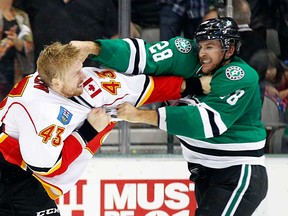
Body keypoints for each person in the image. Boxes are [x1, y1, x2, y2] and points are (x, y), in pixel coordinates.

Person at [71, 17, 268, 215]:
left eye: (210, 47)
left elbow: (205, 122)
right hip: (204, 170)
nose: (202, 54)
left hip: (237, 171)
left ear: (230, 49)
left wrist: (141, 116)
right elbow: (142, 56)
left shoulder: (240, 75)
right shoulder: (184, 52)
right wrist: (93, 48)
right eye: (200, 46)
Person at [0, 40, 210, 215]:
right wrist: (89, 131)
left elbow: (141, 88)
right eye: (76, 74)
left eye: (80, 69)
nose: (83, 76)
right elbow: (47, 167)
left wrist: (194, 85)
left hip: (22, 173)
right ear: (55, 83)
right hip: (11, 172)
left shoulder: (85, 81)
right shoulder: (39, 110)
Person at [0, 0, 34, 101]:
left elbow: (29, 46)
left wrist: (16, 41)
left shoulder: (22, 16)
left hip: (17, 70)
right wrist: (7, 42)